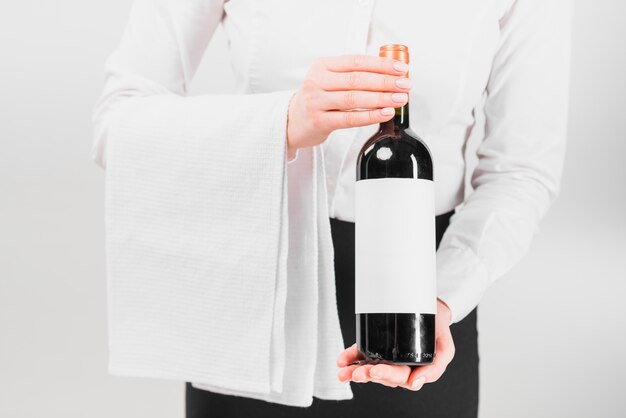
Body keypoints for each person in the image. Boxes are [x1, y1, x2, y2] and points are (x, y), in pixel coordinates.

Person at [92, 0, 572, 417]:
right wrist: (283, 121)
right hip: (255, 300)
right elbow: (119, 122)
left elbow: (521, 171)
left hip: (422, 300)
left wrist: (442, 296)